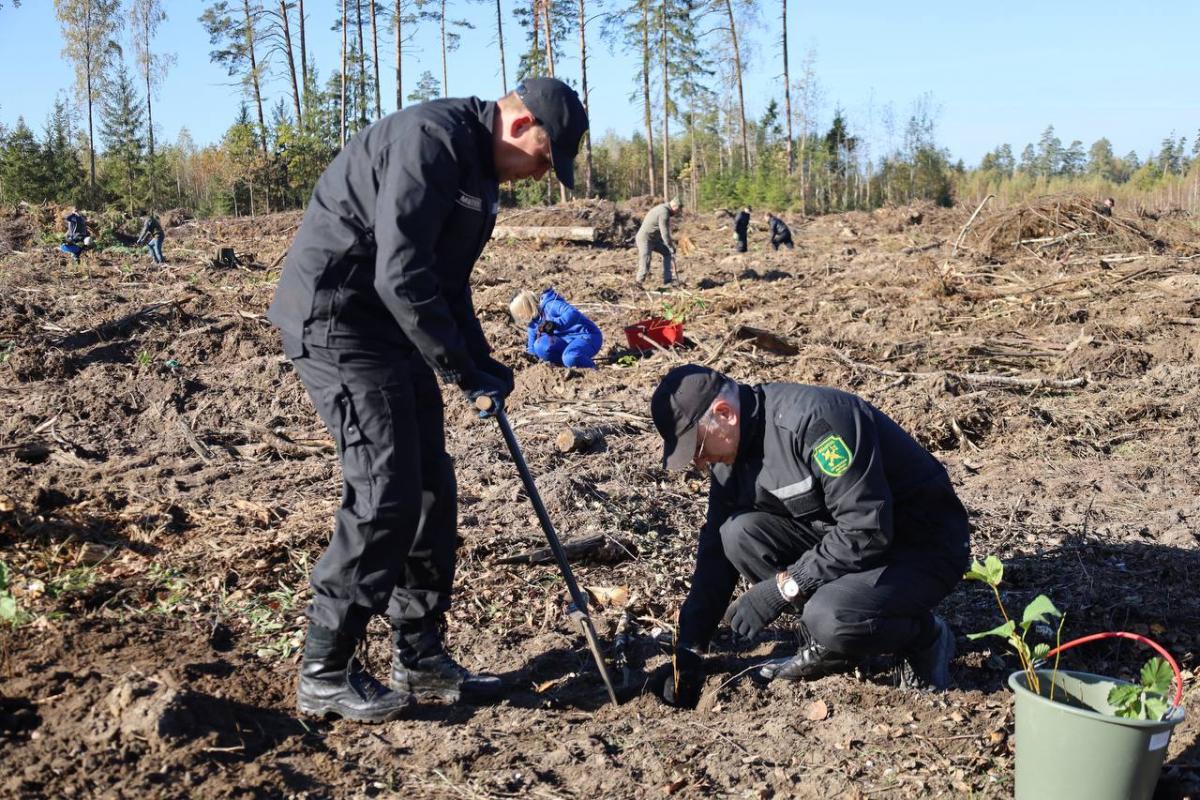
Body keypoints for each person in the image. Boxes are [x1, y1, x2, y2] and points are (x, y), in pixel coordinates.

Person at [266, 78, 589, 723]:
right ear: (521, 123)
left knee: (432, 489)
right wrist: (457, 367)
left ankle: (418, 656)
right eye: (545, 161)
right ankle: (325, 668)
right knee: (385, 486)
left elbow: (447, 283)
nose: (536, 177)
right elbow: (401, 272)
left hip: (391, 327)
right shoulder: (430, 141)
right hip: (338, 321)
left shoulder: (481, 176)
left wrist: (479, 361)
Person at [649, 365, 970, 709]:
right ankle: (839, 643)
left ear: (724, 414)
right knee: (737, 533)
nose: (699, 462)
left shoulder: (817, 423)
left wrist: (783, 587)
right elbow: (715, 547)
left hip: (920, 546)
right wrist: (690, 647)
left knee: (831, 617)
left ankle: (923, 638)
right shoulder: (730, 450)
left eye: (697, 447)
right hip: (845, 541)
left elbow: (866, 528)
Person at [509, 288, 603, 369]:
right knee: (539, 346)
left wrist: (556, 324)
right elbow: (532, 349)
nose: (521, 316)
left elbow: (573, 313)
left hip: (586, 336)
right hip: (566, 342)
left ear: (526, 307)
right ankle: (567, 365)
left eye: (520, 313)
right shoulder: (533, 325)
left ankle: (592, 368)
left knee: (570, 357)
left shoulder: (550, 305)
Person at [635, 197, 680, 285]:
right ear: (675, 206)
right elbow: (665, 233)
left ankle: (668, 280)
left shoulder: (663, 208)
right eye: (677, 210)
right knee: (646, 259)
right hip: (645, 239)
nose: (676, 213)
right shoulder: (664, 212)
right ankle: (638, 283)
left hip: (654, 239)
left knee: (667, 253)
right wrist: (670, 246)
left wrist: (669, 247)